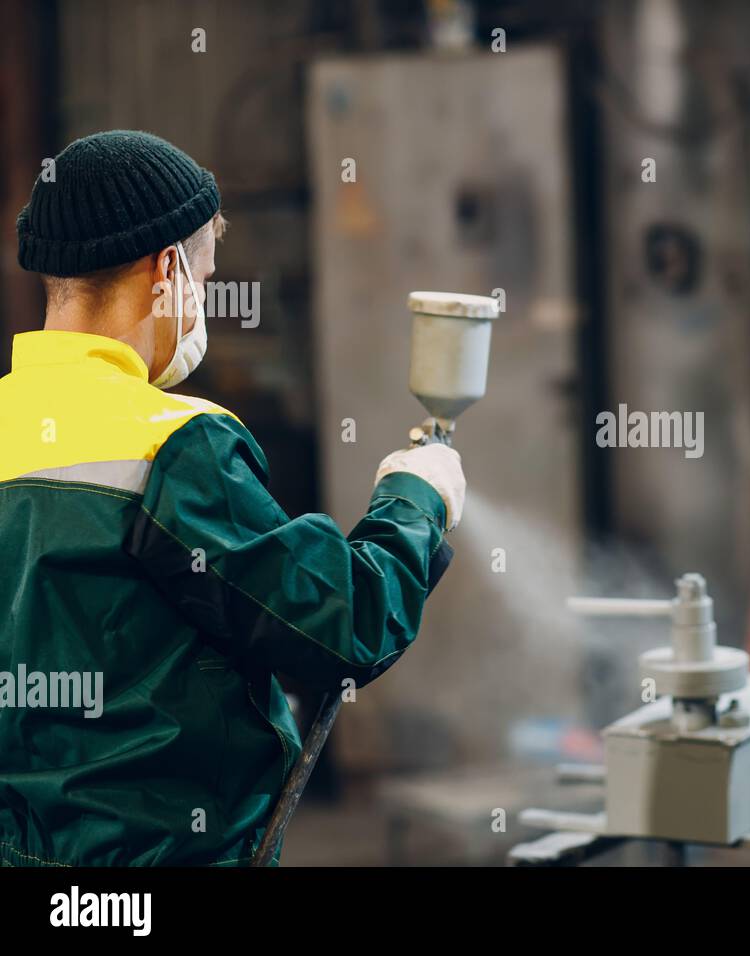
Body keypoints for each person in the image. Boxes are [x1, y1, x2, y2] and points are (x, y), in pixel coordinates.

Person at [0, 130, 464, 866]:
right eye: (207, 281)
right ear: (167, 269)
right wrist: (414, 499)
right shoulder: (174, 445)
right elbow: (341, 628)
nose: (204, 303)